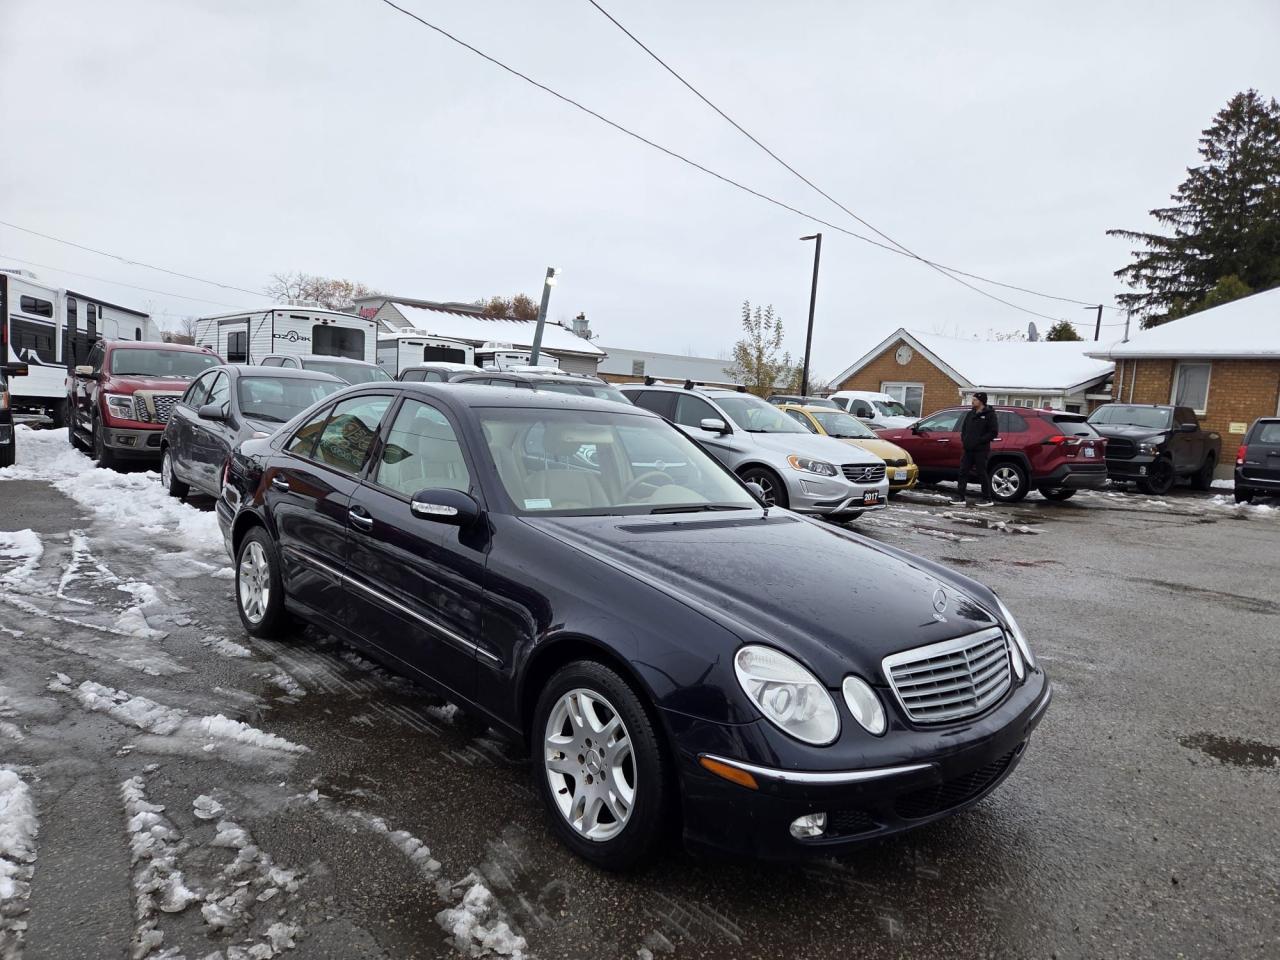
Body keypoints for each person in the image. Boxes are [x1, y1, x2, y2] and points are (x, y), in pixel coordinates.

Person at [954, 392, 999, 506]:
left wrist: (979, 441)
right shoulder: (970, 414)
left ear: (981, 401)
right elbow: (964, 429)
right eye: (972, 399)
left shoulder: (989, 414)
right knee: (963, 472)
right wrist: (965, 440)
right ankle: (960, 497)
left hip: (981, 450)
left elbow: (993, 432)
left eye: (974, 400)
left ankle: (987, 498)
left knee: (981, 473)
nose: (972, 401)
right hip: (968, 449)